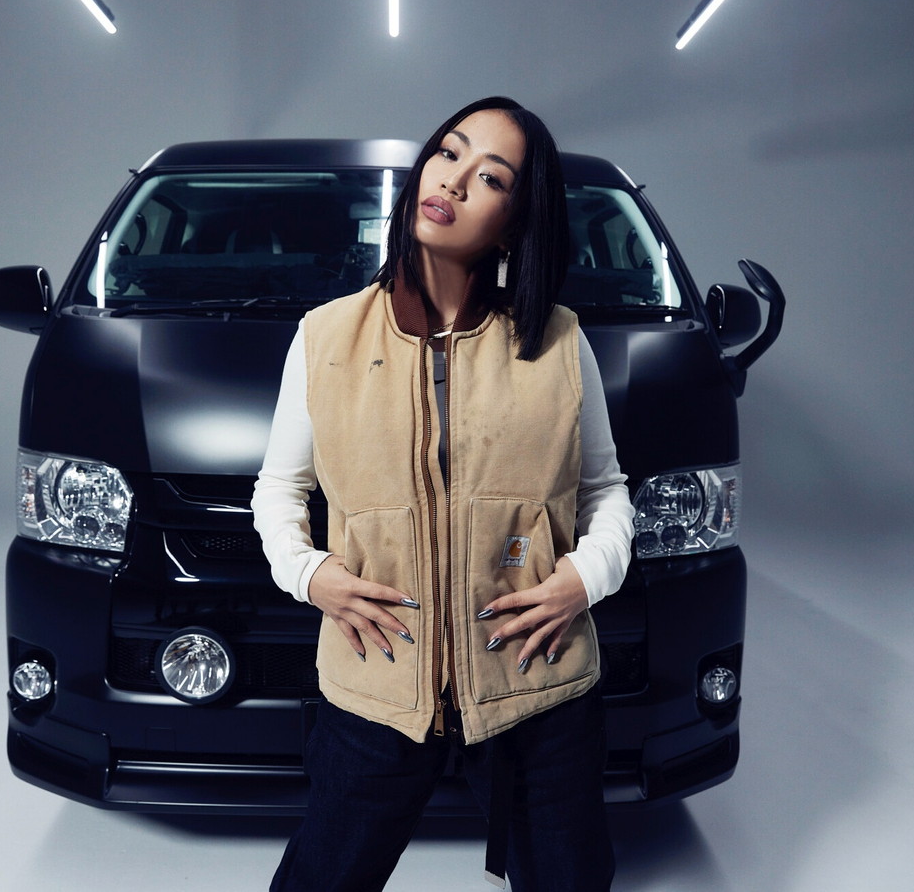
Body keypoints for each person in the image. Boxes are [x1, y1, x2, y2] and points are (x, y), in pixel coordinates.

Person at [252, 96, 635, 891]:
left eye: (490, 176)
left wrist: (584, 579)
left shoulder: (561, 341)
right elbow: (280, 490)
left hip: (537, 682)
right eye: (448, 153)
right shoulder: (325, 337)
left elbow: (606, 491)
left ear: (515, 221)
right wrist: (310, 575)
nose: (454, 181)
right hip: (378, 678)